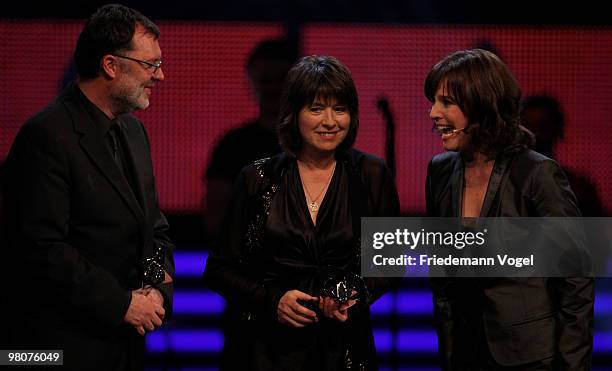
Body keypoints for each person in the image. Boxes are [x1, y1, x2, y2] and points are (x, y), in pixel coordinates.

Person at [1, 4, 174, 371]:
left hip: (124, 348)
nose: (160, 76)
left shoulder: (134, 131)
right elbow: (40, 247)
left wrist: (157, 288)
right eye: (151, 65)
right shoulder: (46, 136)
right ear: (111, 65)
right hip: (58, 349)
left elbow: (154, 229)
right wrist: (122, 304)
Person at [204, 55, 400, 370]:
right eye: (316, 108)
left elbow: (390, 263)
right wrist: (272, 299)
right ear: (294, 114)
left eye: (340, 109)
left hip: (343, 349)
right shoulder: (258, 179)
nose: (330, 121)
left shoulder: (371, 175)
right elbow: (218, 270)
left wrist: (354, 292)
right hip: (265, 350)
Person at [424, 49, 594, 370]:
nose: (433, 112)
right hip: (465, 354)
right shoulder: (440, 171)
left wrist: (573, 365)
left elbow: (576, 279)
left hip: (530, 358)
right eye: (433, 101)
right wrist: (449, 352)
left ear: (481, 104)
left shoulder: (536, 173)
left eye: (446, 102)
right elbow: (443, 277)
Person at [202, 39, 297, 243]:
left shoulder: (323, 145)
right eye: (265, 79)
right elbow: (215, 217)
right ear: (251, 84)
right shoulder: (232, 146)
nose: (273, 88)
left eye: (281, 79)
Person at [521, 94, 605, 217]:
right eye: (528, 126)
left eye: (542, 127)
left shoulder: (579, 190)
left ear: (557, 130)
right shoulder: (501, 188)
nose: (534, 135)